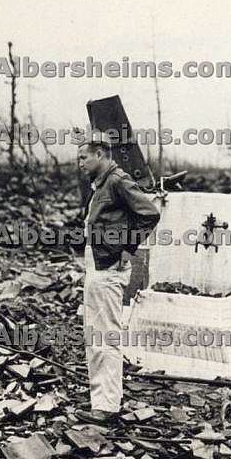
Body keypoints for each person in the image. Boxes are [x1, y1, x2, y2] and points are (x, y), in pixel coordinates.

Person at [75, 138, 161, 425]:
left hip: (109, 267)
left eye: (84, 157)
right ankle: (101, 400)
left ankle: (107, 407)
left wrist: (128, 248)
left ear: (100, 154)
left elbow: (149, 213)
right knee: (95, 335)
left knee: (105, 337)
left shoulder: (117, 181)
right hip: (98, 263)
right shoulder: (101, 183)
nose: (80, 163)